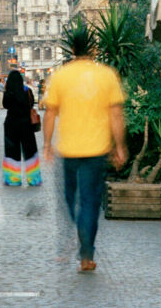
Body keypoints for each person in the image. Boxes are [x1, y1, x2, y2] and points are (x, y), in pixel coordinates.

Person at [42, 29, 127, 273]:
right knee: (90, 202)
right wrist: (119, 145)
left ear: (72, 50)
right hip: (97, 148)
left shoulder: (61, 76)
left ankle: (81, 240)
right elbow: (116, 113)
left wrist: (47, 144)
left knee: (71, 199)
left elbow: (50, 113)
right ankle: (86, 252)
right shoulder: (107, 74)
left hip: (68, 148)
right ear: (93, 50)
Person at [1, 70, 41, 187]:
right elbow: (32, 103)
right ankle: (33, 179)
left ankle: (13, 179)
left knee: (12, 151)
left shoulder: (8, 93)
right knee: (30, 150)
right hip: (26, 124)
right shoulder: (27, 90)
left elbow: (5, 105)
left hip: (11, 124)